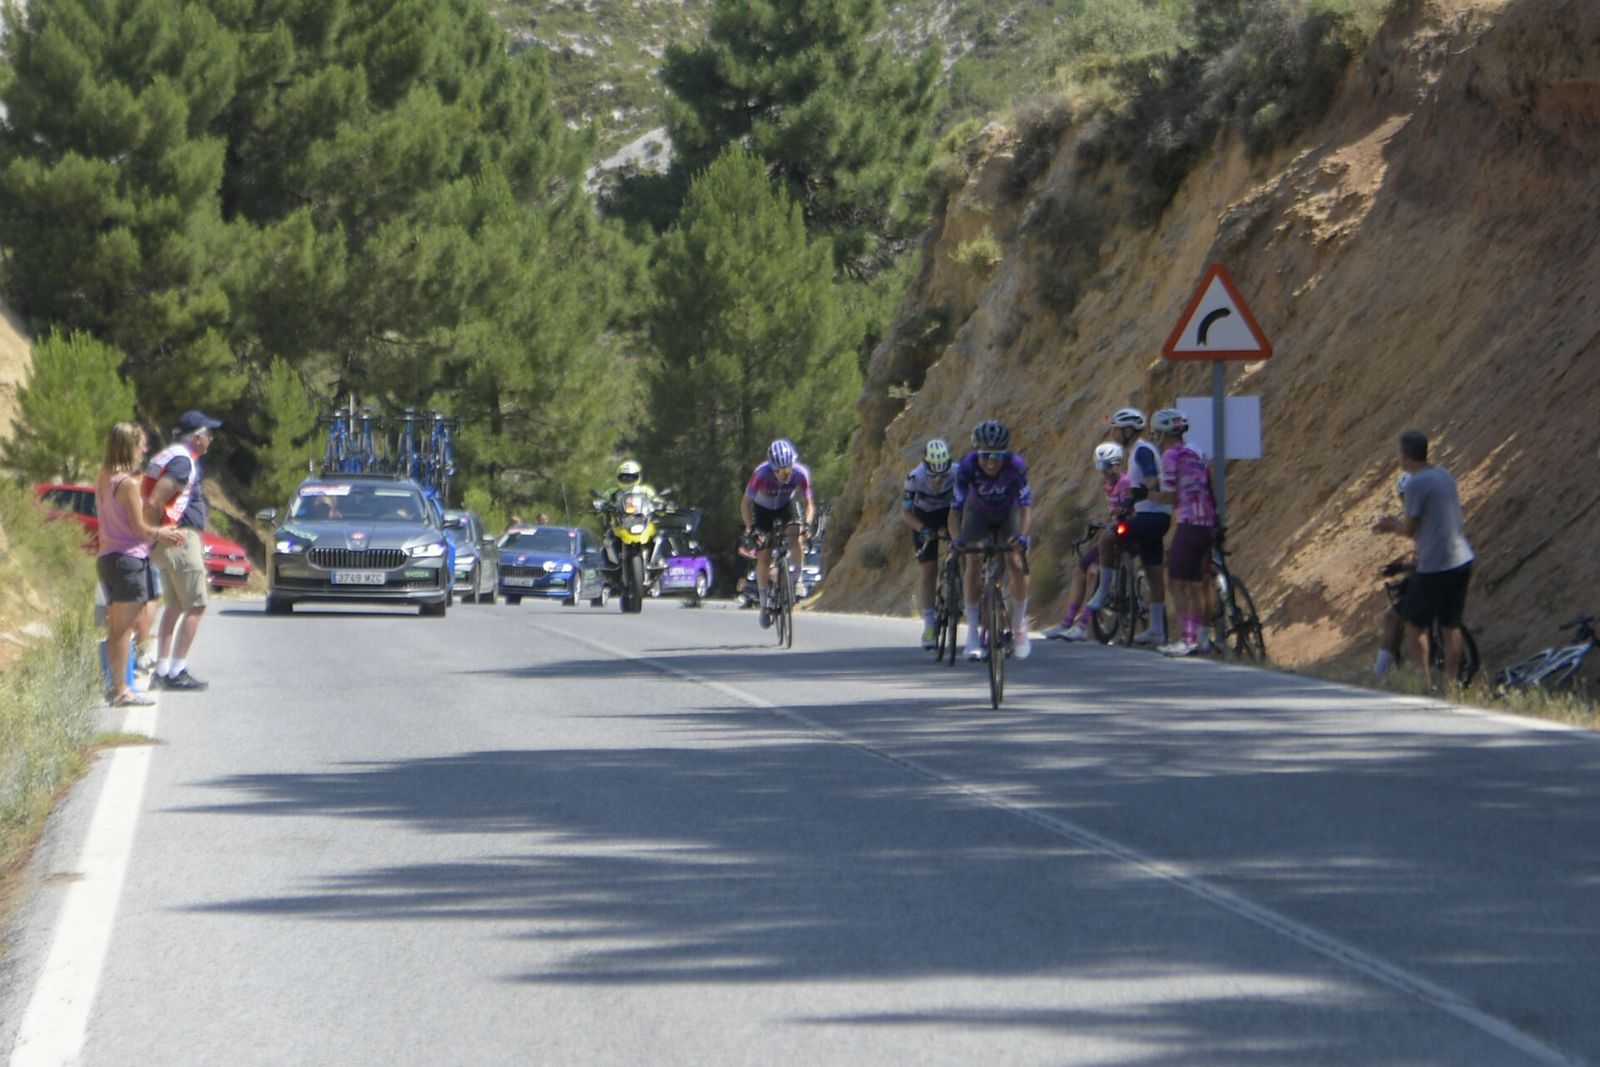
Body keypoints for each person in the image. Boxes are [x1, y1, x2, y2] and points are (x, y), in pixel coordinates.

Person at [1373, 429, 1474, 688]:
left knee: (1414, 626)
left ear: (1405, 458)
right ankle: (1452, 687)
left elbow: (1408, 528)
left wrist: (1390, 525)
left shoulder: (1415, 483)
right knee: (1451, 626)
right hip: (1461, 558)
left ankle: (1424, 683)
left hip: (1434, 566)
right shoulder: (1444, 474)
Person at [96, 422, 185, 706]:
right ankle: (121, 690)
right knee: (124, 629)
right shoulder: (128, 484)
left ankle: (117, 686)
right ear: (130, 446)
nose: (144, 449)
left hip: (108, 558)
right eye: (141, 444)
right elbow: (138, 529)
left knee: (117, 627)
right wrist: (163, 533)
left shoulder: (102, 476)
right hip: (128, 559)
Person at [142, 410, 221, 692]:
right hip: (179, 538)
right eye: (208, 434)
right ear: (197, 438)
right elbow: (154, 501)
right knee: (196, 605)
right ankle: (176, 670)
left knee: (175, 605)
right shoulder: (182, 463)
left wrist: (151, 537)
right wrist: (153, 531)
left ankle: (163, 669)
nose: (211, 438)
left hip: (168, 539)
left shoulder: (170, 456)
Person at [948, 419, 1033, 661]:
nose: (991, 461)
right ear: (977, 453)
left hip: (1008, 513)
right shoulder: (967, 467)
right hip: (978, 513)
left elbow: (1026, 508)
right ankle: (973, 635)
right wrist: (957, 540)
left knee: (1015, 561)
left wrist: (1022, 537)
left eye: (997, 455)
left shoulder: (1016, 466)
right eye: (985, 455)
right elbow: (954, 511)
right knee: (973, 561)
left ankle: (1018, 626)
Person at [1089, 407, 1171, 645]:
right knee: (1153, 571)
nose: (1114, 434)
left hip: (1149, 515)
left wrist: (1130, 498)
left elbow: (1152, 481)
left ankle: (1103, 593)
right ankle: (1156, 629)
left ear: (1128, 430)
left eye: (1116, 429)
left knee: (1107, 537)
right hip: (1159, 517)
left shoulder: (1142, 451)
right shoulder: (1141, 449)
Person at [1147, 409, 1216, 657]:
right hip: (1207, 522)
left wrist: (1147, 494)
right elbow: (1209, 484)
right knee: (1198, 584)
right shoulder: (1197, 451)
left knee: (1176, 582)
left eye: (1155, 431)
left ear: (1162, 433)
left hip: (1188, 523)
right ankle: (1203, 640)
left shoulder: (1170, 456)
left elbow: (1169, 495)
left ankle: (1188, 640)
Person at [1046, 442, 1129, 641]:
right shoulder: (1107, 484)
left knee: (1094, 572)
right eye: (1100, 466)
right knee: (1080, 570)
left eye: (1106, 466)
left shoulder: (1125, 482)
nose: (1103, 471)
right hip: (1113, 531)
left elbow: (1126, 508)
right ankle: (1066, 622)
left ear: (1117, 464)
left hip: (1126, 535)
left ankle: (1083, 625)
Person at [740, 438, 815, 628]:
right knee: (763, 557)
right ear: (772, 468)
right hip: (762, 509)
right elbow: (745, 505)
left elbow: (809, 505)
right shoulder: (760, 474)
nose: (784, 474)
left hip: (785, 505)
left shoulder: (800, 473)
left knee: (796, 537)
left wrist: (807, 524)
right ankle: (764, 605)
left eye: (788, 469)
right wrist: (751, 529)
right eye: (780, 471)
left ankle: (796, 580)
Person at [900, 438, 955, 649]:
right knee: (929, 570)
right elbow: (905, 512)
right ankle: (930, 625)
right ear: (925, 467)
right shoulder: (914, 478)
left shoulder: (958, 474)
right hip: (924, 518)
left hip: (950, 514)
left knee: (964, 551)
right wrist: (923, 529)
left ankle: (957, 585)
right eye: (933, 476)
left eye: (943, 476)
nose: (938, 481)